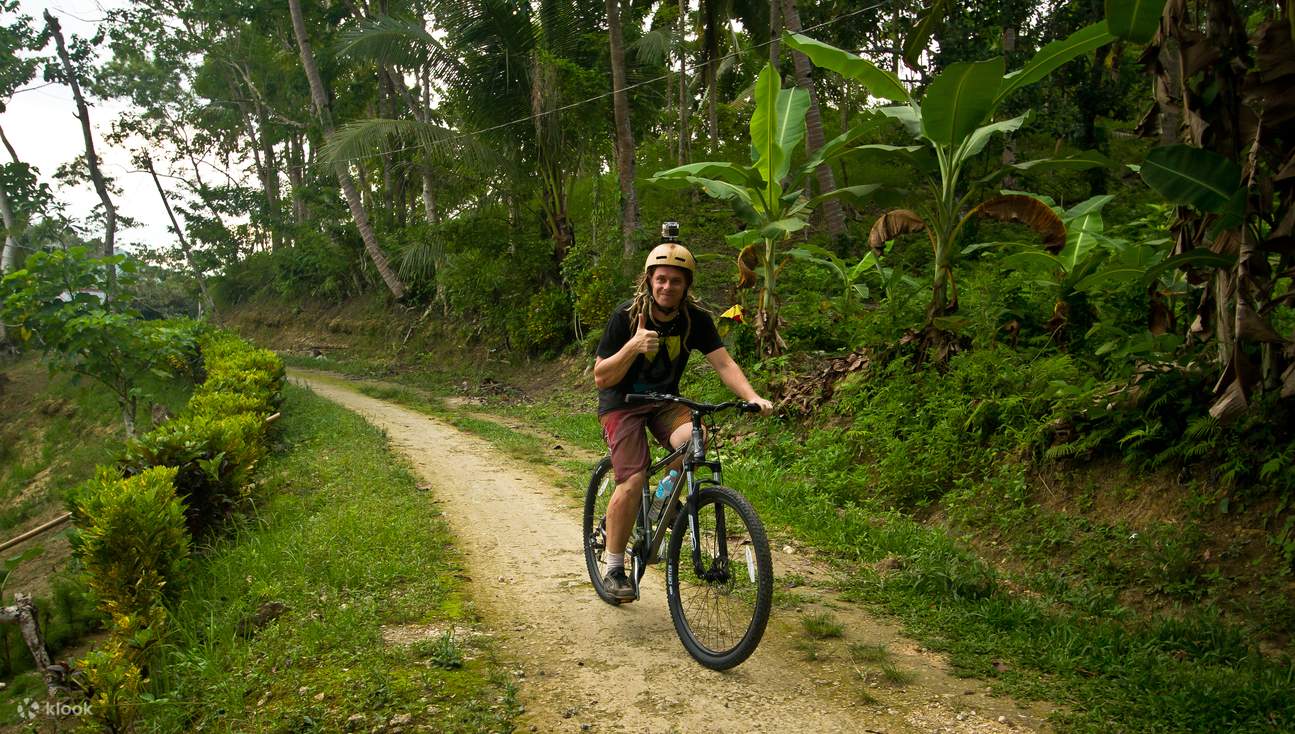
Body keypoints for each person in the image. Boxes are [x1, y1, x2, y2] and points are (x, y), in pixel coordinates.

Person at [592, 222, 773, 602]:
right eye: (661, 279)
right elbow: (601, 375)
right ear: (649, 281)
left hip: (663, 402)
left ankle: (661, 503)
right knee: (632, 478)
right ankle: (613, 567)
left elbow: (724, 365)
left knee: (695, 439)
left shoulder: (695, 320)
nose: (667, 287)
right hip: (620, 404)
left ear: (686, 285)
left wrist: (753, 396)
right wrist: (633, 346)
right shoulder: (625, 316)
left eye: (676, 281)